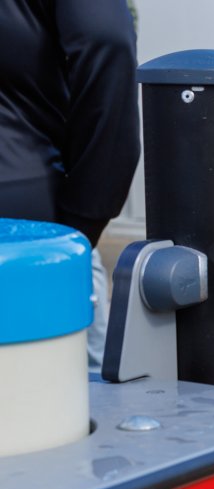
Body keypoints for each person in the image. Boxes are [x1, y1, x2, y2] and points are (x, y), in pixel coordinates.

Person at [0, 0, 141, 370]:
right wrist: (85, 218)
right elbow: (107, 41)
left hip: (31, 216)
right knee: (53, 385)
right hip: (32, 215)